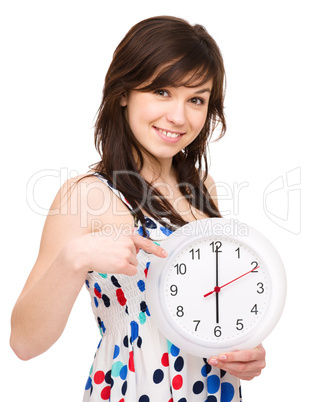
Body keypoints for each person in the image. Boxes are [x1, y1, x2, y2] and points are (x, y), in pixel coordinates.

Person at [10, 15, 266, 401]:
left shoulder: (202, 188)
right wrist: (72, 258)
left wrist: (245, 351)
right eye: (162, 92)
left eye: (196, 99)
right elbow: (23, 344)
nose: (179, 117)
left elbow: (212, 311)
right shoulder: (85, 195)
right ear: (125, 91)